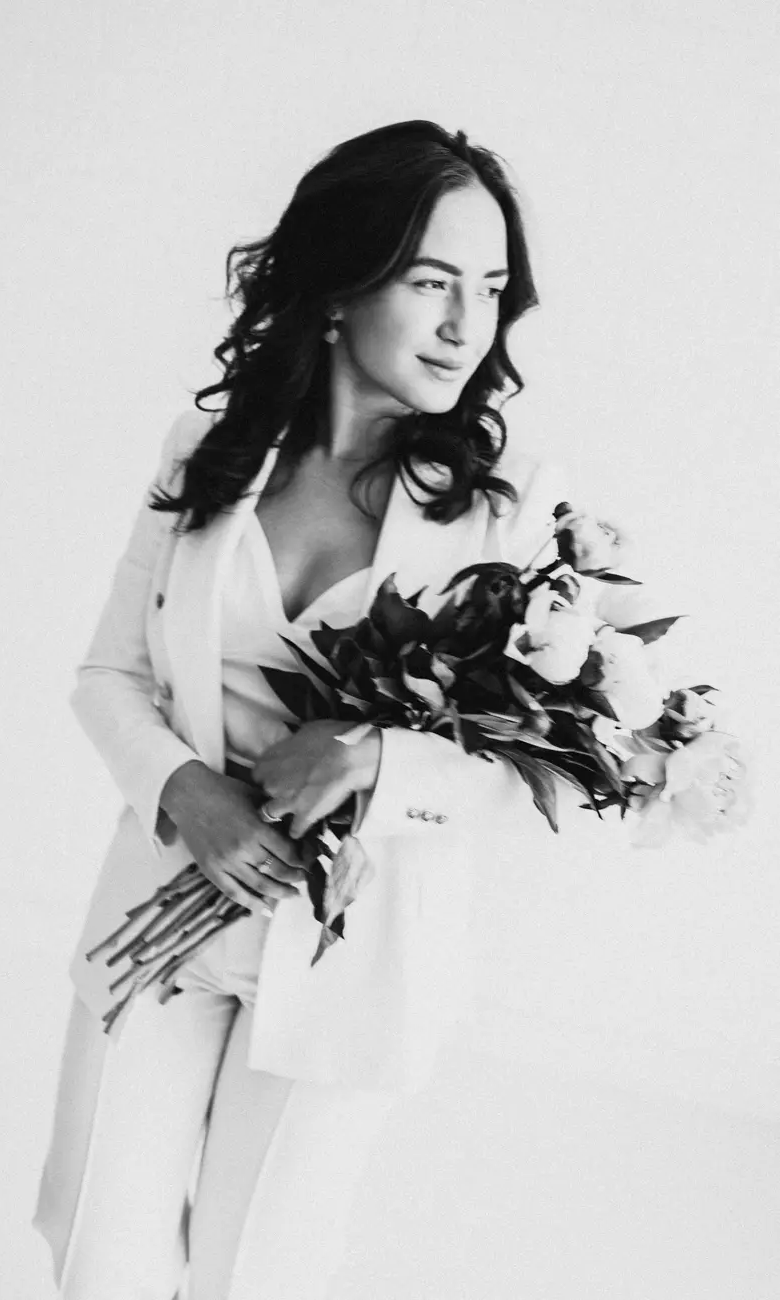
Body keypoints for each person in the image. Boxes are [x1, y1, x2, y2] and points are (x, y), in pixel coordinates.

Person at [32, 119, 614, 1300]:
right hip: (162, 912)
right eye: (432, 281)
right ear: (344, 286)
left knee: (258, 1277)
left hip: (349, 960)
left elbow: (547, 765)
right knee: (101, 1259)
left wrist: (372, 760)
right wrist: (184, 792)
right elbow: (108, 676)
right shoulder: (208, 452)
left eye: (490, 289)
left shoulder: (507, 515)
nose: (466, 325)